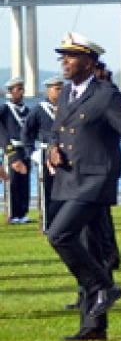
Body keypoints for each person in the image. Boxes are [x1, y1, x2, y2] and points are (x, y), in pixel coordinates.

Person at [46, 32, 121, 341]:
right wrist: (52, 149)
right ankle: (92, 326)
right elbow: (56, 131)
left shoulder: (106, 94)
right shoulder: (66, 94)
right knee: (92, 249)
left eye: (71, 56)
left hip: (95, 180)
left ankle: (104, 286)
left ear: (89, 62)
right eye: (62, 56)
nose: (65, 62)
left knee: (59, 235)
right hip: (67, 179)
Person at [19, 76, 63, 230]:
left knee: (65, 190)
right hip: (46, 154)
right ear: (48, 90)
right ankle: (47, 224)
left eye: (62, 88)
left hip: (65, 153)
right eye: (57, 88)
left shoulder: (67, 108)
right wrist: (32, 152)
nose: (60, 92)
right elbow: (26, 133)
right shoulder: (39, 110)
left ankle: (63, 223)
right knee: (47, 190)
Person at [0, 78, 33, 224]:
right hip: (12, 149)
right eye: (17, 89)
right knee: (12, 182)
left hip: (24, 149)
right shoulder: (5, 109)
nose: (21, 92)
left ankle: (22, 212)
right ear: (11, 92)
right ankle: (12, 214)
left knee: (24, 183)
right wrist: (8, 149)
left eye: (22, 89)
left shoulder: (27, 110)